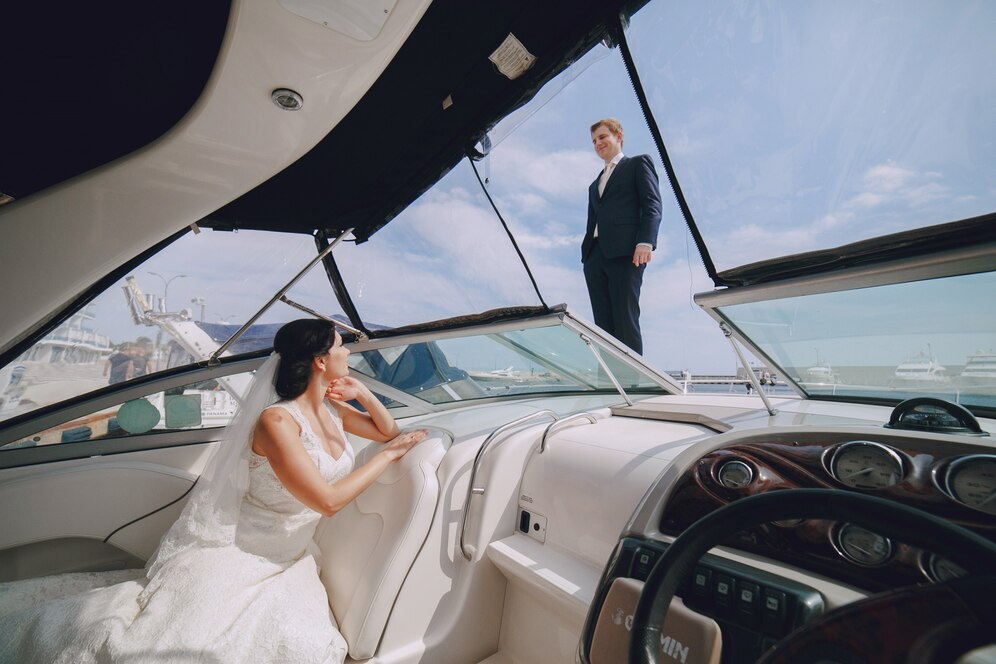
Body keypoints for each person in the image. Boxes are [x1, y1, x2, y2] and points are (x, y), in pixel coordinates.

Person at [0, 318, 427, 663]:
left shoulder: (332, 409)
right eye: (340, 347)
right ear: (319, 361)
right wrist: (388, 458)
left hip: (292, 553)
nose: (348, 352)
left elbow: (386, 431)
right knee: (163, 646)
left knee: (299, 640)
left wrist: (362, 391)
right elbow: (328, 501)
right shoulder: (277, 422)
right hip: (246, 551)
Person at [581, 118, 662, 354]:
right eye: (594, 141)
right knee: (602, 326)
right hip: (594, 256)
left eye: (602, 137)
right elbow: (592, 221)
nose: (598, 143)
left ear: (619, 136)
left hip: (627, 253)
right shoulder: (594, 184)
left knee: (625, 319)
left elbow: (652, 204)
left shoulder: (637, 164)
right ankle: (608, 376)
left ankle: (632, 376)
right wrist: (587, 256)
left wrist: (646, 241)